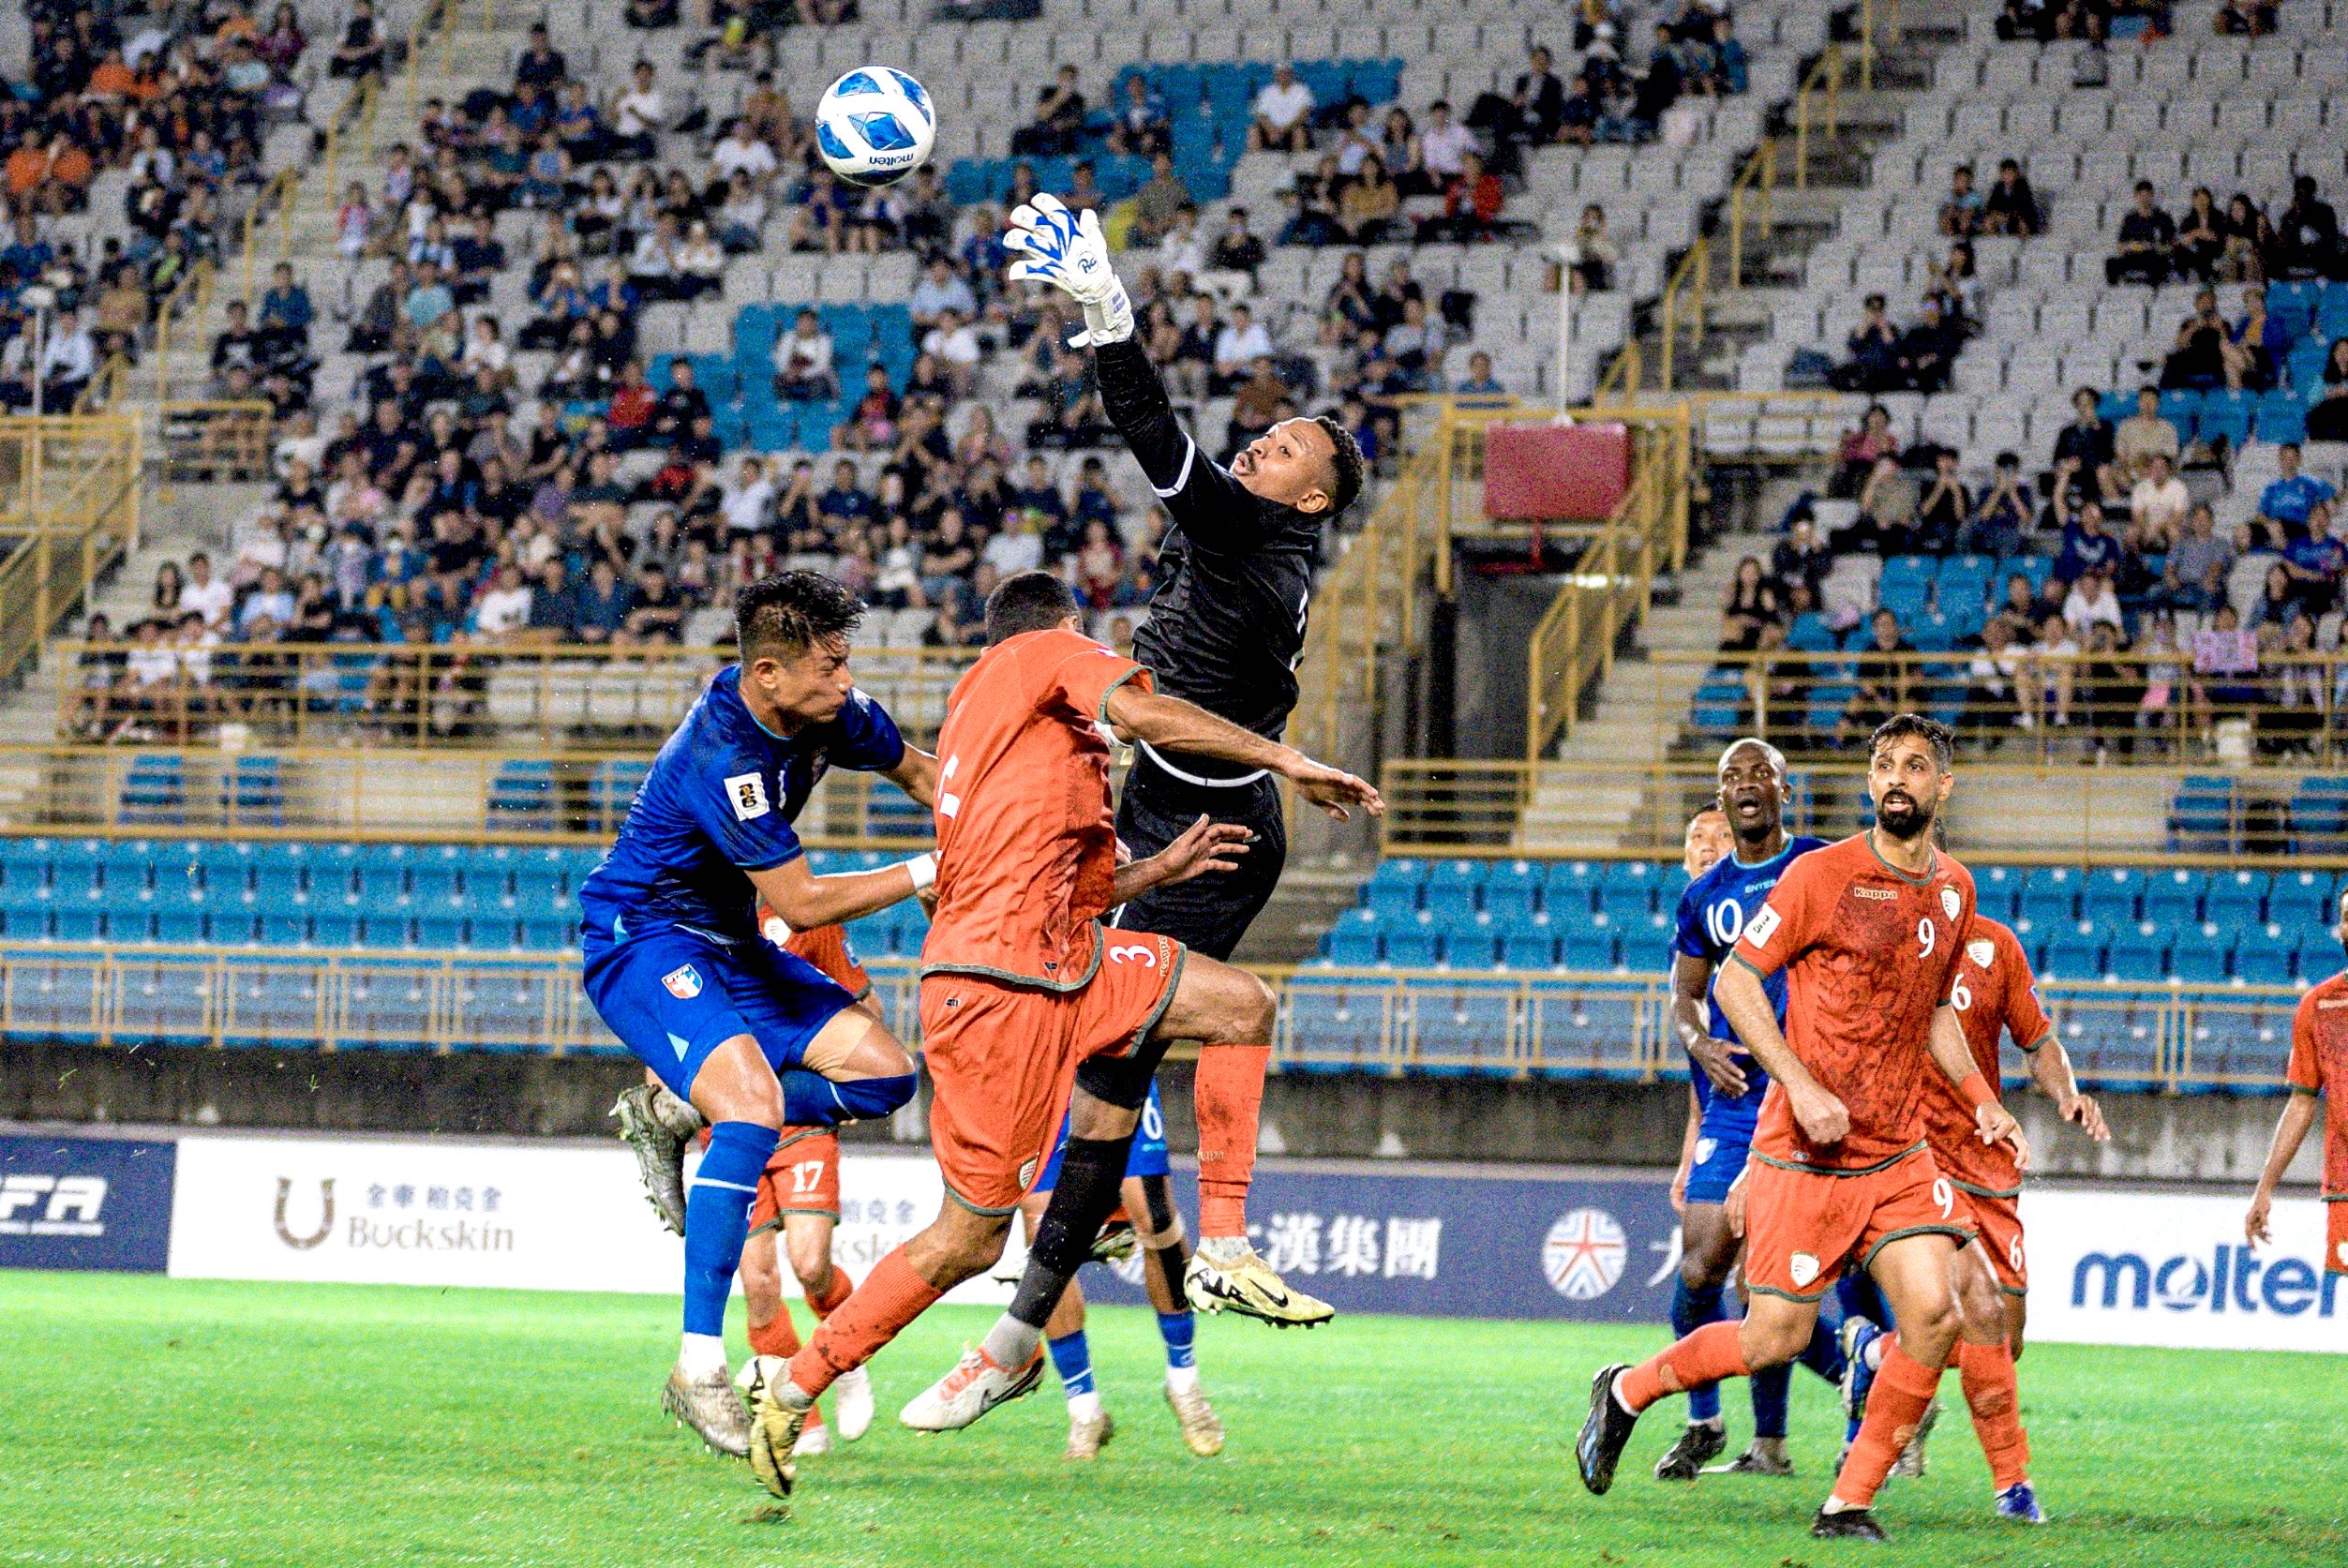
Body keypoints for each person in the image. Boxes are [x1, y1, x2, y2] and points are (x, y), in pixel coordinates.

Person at [743, 570, 1382, 1498]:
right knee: (974, 1232)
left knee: (1235, 1010)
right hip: (1008, 982)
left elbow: (1075, 889)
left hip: (1033, 969)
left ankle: (1224, 1247)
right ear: (1068, 630)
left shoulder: (997, 728)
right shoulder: (1041, 656)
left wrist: (1157, 866)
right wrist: (1287, 762)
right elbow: (1150, 715)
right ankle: (804, 1382)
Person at [998, 191, 1369, 1319]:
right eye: (1271, 428)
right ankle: (1040, 1308)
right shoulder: (1260, 535)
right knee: (1107, 1056)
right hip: (1167, 799)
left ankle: (1210, 1239)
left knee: (1104, 1027)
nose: (1266, 438)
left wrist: (1107, 312)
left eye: (1288, 444)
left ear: (1311, 493)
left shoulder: (1252, 533)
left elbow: (1155, 436)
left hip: (1211, 830)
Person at [1576, 714, 2027, 1545]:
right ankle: (1628, 1389)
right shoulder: (1821, 875)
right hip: (1804, 1147)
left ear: (1942, 786)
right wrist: (1799, 1083)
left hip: (1898, 1148)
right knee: (1773, 1334)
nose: (1899, 778)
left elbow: (1934, 1012)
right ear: (1867, 783)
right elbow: (1737, 986)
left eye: (1917, 766)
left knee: (1935, 1315)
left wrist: (1979, 1098)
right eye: (1885, 764)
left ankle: (1846, 1503)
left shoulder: (1955, 889)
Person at [575, 573, 941, 1456]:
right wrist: (931, 870)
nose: (845, 681)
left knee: (887, 1074)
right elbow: (806, 903)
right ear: (768, 672)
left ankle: (680, 1106)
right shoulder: (722, 754)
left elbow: (928, 777)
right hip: (645, 937)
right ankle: (699, 1366)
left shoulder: (832, 710)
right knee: (754, 1107)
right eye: (829, 665)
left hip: (730, 945)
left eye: (848, 660)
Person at [1848, 910, 2108, 1491]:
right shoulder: (1882, 933)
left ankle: (1873, 1354)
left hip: (1984, 1154)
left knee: (2004, 1337)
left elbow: (2038, 1041)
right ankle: (2009, 1486)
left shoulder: (1997, 945)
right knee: (1959, 1311)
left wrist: (2068, 1094)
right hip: (1913, 1152)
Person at [614, 917, 882, 1465]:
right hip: (729, 1127)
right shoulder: (689, 926)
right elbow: (663, 1042)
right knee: (759, 1285)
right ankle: (800, 1418)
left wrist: (854, 1075)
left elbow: (866, 1007)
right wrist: (667, 1118)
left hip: (800, 1116)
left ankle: (848, 1360)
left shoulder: (809, 918)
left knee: (812, 1266)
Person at [1656, 742, 1841, 1480]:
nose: (1744, 787)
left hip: (1807, 1095)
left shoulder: (1822, 865)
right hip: (1734, 1101)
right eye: (1730, 777)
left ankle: (1842, 1401)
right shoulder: (1704, 896)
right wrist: (1697, 1041)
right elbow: (1683, 995)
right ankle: (1707, 1421)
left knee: (1766, 1283)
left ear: (1784, 789)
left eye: (1758, 773)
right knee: (1701, 1265)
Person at [1015, 1075, 1225, 1460]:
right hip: (1044, 1078)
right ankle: (1084, 1408)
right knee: (1046, 1236)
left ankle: (1184, 1380)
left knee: (1154, 1212)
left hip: (1115, 1064)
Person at [2243, 889, 2348, 1291]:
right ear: (2340, 930)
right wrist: (2264, 1189)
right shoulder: (2318, 1006)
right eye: (2347, 916)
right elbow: (2301, 1103)